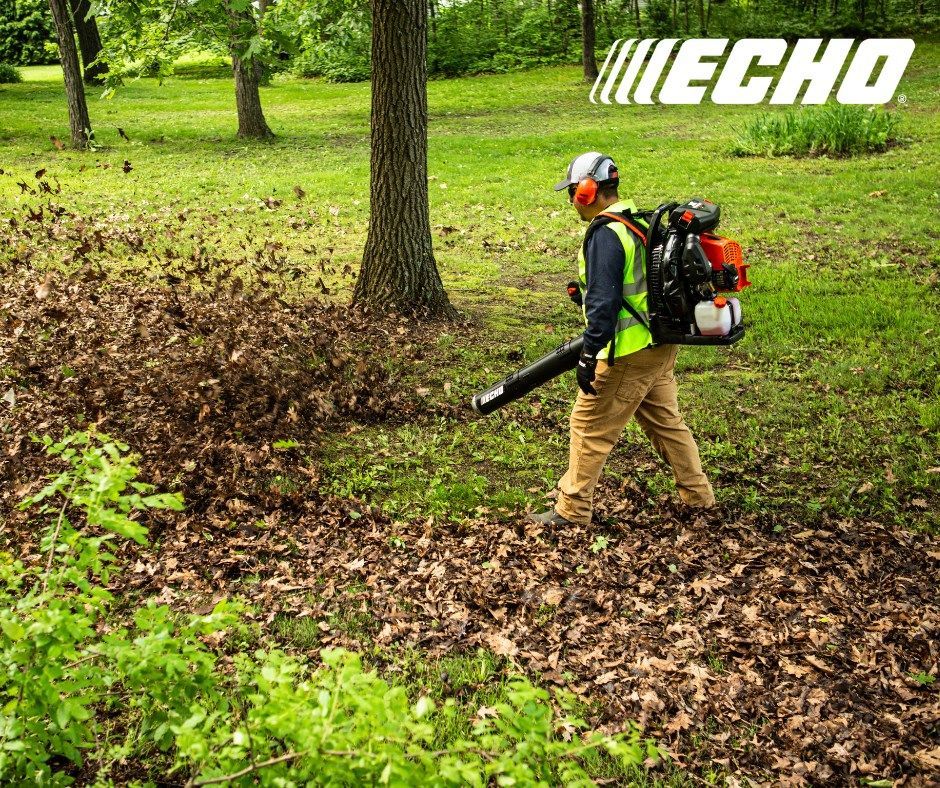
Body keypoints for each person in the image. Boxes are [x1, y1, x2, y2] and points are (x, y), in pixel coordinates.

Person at [529, 152, 715, 528]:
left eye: (572, 192)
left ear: (586, 191)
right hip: (658, 345)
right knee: (666, 423)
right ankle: (699, 498)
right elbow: (635, 284)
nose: (571, 200)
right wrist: (584, 292)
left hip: (626, 353)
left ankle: (571, 510)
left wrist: (589, 355)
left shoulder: (605, 233)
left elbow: (605, 303)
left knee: (588, 427)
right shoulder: (641, 221)